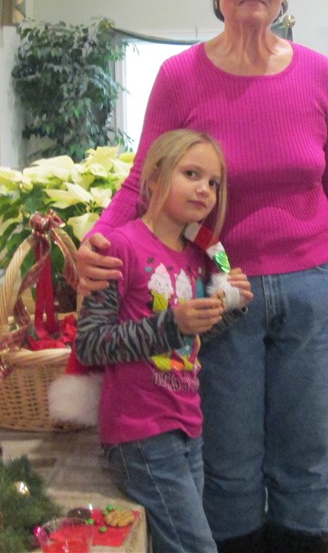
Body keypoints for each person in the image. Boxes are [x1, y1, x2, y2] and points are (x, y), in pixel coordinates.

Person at [77, 0, 328, 553]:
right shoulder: (180, 76)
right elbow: (144, 179)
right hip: (220, 292)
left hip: (317, 286)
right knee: (228, 460)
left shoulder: (318, 73)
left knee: (308, 456)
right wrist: (98, 241)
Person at [74, 129, 254, 553]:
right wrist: (172, 323)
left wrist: (230, 306)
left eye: (213, 182)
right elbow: (91, 343)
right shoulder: (119, 246)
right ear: (154, 178)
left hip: (188, 424)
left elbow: (189, 340)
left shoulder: (197, 256)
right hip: (140, 432)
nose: (205, 189)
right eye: (191, 174)